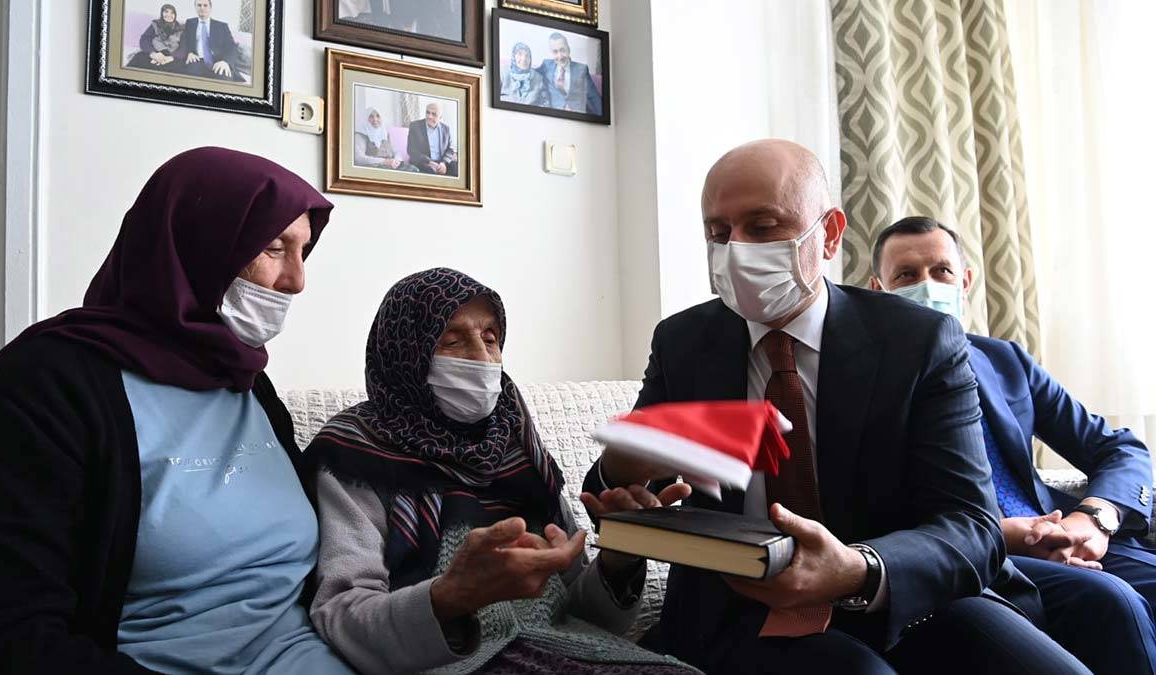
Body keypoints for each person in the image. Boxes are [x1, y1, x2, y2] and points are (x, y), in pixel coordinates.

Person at [581, 139, 1090, 674]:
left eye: (762, 227)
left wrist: (856, 568)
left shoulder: (918, 341)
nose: (737, 249)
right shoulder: (684, 342)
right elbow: (616, 490)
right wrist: (630, 463)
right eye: (719, 233)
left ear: (828, 234)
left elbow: (971, 523)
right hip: (742, 609)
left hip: (901, 593)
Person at [0, 147, 355, 675]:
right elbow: (8, 632)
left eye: (304, 251)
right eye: (273, 248)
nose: (297, 280)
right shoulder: (49, 381)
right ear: (197, 242)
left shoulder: (245, 378)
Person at [305, 268, 698, 674]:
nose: (481, 357)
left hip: (569, 654)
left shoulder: (516, 443)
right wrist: (449, 597)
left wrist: (619, 561)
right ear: (406, 353)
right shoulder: (355, 453)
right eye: (452, 341)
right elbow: (341, 616)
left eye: (491, 339)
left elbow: (583, 617)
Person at [870, 215, 1156, 674]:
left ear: (965, 281)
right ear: (878, 289)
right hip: (979, 555)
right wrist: (1004, 536)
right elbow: (874, 508)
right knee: (1112, 601)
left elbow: (1118, 448)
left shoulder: (1003, 360)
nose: (927, 285)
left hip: (1069, 533)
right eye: (906, 275)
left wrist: (1093, 520)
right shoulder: (867, 381)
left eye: (941, 271)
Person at [536, 32, 602, 115]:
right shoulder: (546, 65)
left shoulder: (581, 70)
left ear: (568, 49)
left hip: (576, 116)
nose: (560, 56)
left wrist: (604, 119)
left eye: (562, 50)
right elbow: (530, 72)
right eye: (555, 52)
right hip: (554, 116)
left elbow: (594, 97)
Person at [176, 0, 243, 82]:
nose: (202, 8)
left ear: (210, 8)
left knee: (224, 79)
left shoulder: (222, 26)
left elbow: (231, 46)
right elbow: (184, 41)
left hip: (218, 62)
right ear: (195, 8)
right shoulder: (190, 23)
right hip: (196, 60)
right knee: (188, 78)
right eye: (199, 5)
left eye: (205, 5)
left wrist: (225, 62)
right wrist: (189, 52)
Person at [352, 107, 418, 172]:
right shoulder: (360, 135)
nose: (375, 119)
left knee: (413, 169)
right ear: (366, 118)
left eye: (378, 116)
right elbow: (358, 158)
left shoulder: (384, 133)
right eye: (371, 116)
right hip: (374, 167)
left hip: (391, 165)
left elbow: (396, 151)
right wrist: (384, 161)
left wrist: (397, 160)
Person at [126, 4, 184, 72]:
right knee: (139, 57)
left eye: (172, 12)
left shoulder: (181, 29)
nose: (169, 15)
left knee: (177, 68)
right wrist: (153, 53)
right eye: (166, 12)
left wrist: (171, 58)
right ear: (162, 13)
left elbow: (184, 47)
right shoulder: (156, 24)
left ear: (175, 15)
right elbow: (144, 39)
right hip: (155, 51)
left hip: (171, 56)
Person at [407, 103, 458, 177]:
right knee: (431, 171)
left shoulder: (446, 128)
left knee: (457, 169)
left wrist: (443, 163)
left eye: (434, 114)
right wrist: (429, 162)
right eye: (427, 112)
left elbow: (450, 149)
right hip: (423, 162)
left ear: (440, 117)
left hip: (441, 162)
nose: (429, 116)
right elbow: (411, 150)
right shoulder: (415, 126)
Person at [500, 43, 549, 107]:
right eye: (520, 54)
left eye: (527, 55)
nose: (524, 59)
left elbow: (546, 104)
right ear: (513, 56)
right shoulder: (503, 73)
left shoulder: (538, 79)